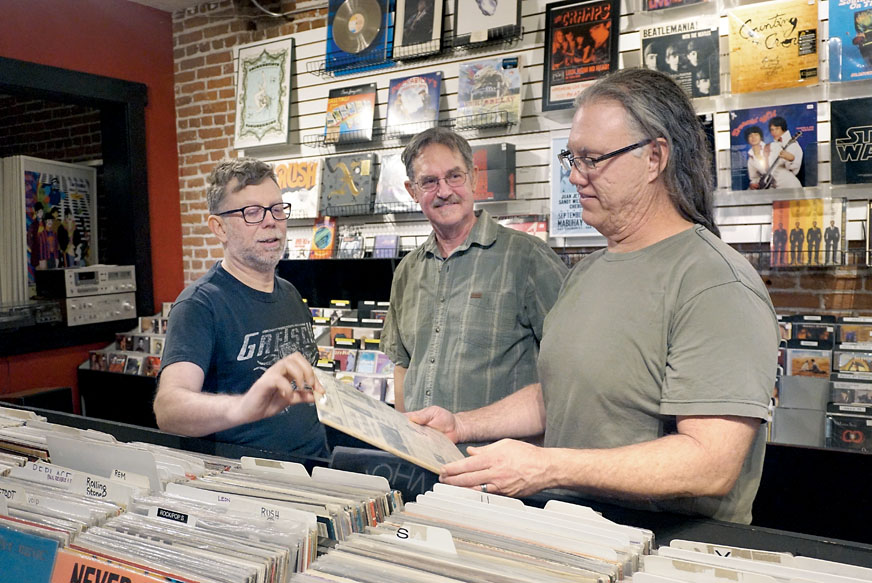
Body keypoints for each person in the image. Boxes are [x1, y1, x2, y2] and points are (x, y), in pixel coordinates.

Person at [409, 68, 779, 525]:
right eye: (572, 158)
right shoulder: (587, 271)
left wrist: (547, 467)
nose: (576, 177)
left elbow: (710, 462)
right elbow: (563, 394)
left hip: (661, 550)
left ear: (654, 157)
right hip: (574, 536)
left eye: (592, 159)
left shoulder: (714, 282)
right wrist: (463, 424)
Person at [381, 127, 567, 414]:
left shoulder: (528, 258)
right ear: (413, 191)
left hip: (495, 457)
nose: (444, 191)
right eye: (429, 181)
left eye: (454, 176)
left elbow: (569, 367)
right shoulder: (407, 271)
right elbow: (403, 366)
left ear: (474, 177)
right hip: (420, 457)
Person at [153, 157, 328, 457]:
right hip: (250, 488)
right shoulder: (200, 305)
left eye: (276, 209)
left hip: (316, 472)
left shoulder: (290, 294)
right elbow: (168, 409)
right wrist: (243, 407)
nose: (271, 221)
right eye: (252, 212)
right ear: (219, 227)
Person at [765, 117, 803, 189]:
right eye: (772, 130)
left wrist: (791, 159)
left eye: (777, 129)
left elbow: (794, 170)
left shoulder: (793, 145)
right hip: (775, 187)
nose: (774, 132)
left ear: (783, 128)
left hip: (790, 186)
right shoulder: (772, 145)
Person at [744, 126, 770, 190]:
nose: (753, 137)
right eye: (750, 136)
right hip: (765, 186)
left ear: (761, 137)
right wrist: (752, 184)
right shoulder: (750, 158)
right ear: (747, 139)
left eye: (756, 134)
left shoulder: (770, 148)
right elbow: (754, 178)